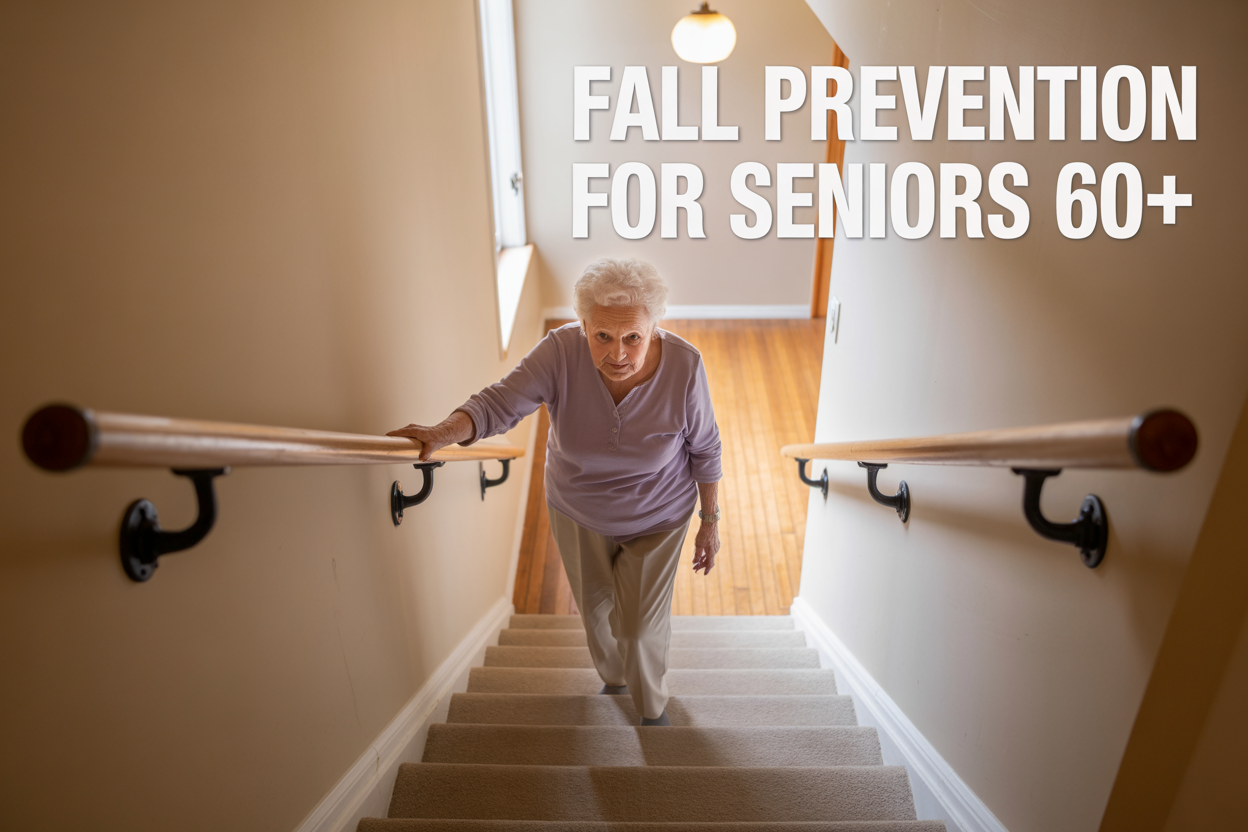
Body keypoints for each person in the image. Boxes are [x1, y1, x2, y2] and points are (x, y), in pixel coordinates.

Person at [388, 257, 722, 726]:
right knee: (594, 608)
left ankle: (651, 708)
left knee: (641, 629)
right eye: (601, 335)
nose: (618, 354)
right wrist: (443, 432)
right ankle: (613, 676)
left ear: (654, 329)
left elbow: (705, 447)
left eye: (633, 338)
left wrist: (709, 523)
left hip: (658, 514)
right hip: (577, 508)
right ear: (583, 325)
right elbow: (500, 402)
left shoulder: (685, 367)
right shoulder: (561, 351)